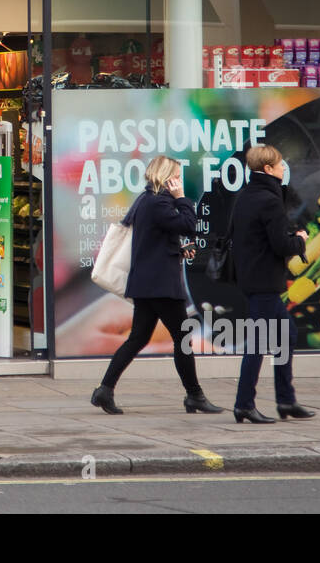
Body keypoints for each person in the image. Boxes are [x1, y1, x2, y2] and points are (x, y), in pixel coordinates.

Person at [90, 156, 223, 416]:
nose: (179, 181)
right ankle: (194, 395)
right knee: (182, 338)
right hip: (161, 285)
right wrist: (183, 197)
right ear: (167, 177)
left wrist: (177, 248)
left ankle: (105, 390)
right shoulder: (160, 202)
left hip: (146, 283)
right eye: (177, 175)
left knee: (138, 338)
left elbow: (155, 238)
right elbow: (188, 225)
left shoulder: (146, 199)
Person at [231, 144, 315, 424]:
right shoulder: (270, 199)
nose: (283, 168)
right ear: (268, 169)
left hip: (251, 278)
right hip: (265, 281)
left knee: (286, 334)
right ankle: (244, 404)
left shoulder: (245, 196)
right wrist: (300, 239)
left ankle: (286, 400)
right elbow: (281, 245)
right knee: (257, 343)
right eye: (280, 164)